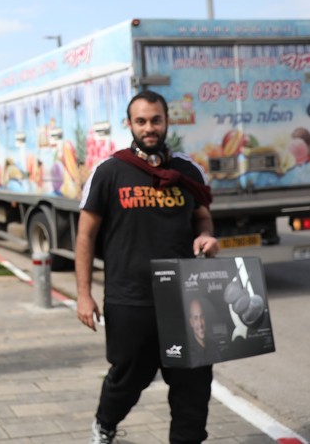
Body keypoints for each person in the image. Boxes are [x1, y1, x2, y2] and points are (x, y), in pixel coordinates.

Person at [75, 89, 220, 444]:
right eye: (141, 121)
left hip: (186, 299)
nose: (149, 127)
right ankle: (105, 424)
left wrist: (207, 238)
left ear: (167, 121)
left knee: (193, 382)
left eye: (156, 120)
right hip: (130, 298)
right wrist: (83, 295)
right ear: (130, 125)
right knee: (129, 376)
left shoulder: (187, 170)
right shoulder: (110, 171)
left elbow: (203, 220)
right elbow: (85, 236)